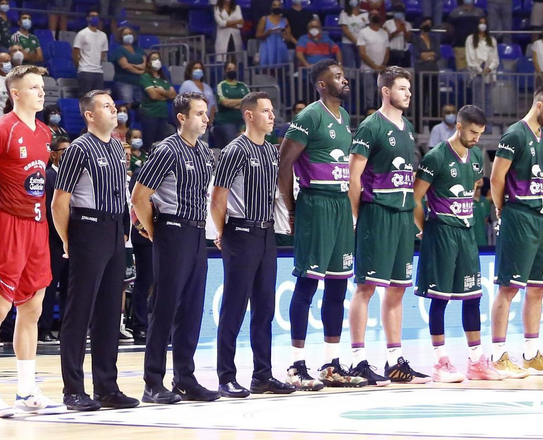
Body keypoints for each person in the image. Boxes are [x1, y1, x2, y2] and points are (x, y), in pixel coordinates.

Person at [0, 65, 64, 417]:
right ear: (15, 93)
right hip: (7, 224)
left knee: (33, 309)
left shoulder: (44, 133)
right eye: (34, 87)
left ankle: (26, 390)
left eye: (42, 86)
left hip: (37, 227)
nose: (41, 92)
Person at [278, 60, 367, 388]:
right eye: (337, 77)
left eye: (344, 75)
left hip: (340, 204)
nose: (345, 80)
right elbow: (284, 164)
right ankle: (296, 366)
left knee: (338, 285)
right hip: (315, 203)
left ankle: (331, 364)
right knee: (307, 285)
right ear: (321, 84)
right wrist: (292, 208)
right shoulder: (309, 117)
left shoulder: (344, 117)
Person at [49, 89, 138, 410]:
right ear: (89, 114)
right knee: (79, 312)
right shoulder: (78, 149)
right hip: (87, 228)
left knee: (110, 312)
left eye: (114, 105)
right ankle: (73, 389)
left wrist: (123, 230)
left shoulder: (116, 147)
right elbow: (59, 202)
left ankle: (106, 387)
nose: (114, 110)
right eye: (107, 106)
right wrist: (68, 239)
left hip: (114, 231)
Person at [132, 93, 217, 404]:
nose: (205, 119)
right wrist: (154, 230)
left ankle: (184, 378)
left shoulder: (205, 151)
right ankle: (152, 382)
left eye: (206, 113)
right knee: (165, 308)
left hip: (197, 234)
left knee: (192, 310)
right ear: (182, 118)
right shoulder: (166, 150)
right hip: (172, 230)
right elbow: (139, 196)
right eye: (199, 113)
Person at [346, 67, 427, 384]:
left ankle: (395, 361)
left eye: (409, 88)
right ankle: (357, 360)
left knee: (397, 290)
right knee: (366, 287)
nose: (408, 93)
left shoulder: (408, 128)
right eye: (402, 88)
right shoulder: (371, 126)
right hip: (377, 213)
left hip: (403, 216)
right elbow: (353, 177)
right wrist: (357, 216)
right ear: (385, 91)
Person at [209, 93, 292, 397]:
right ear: (249, 115)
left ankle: (263, 375)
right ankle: (226, 376)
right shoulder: (235, 150)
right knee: (234, 307)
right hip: (240, 232)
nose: (272, 116)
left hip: (266, 233)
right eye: (265, 111)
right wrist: (223, 232)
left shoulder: (271, 151)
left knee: (264, 308)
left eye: (272, 110)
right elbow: (218, 197)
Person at [487, 81, 543, 378]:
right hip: (519, 216)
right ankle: (498, 355)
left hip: (541, 218)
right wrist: (501, 208)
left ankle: (531, 355)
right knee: (508, 288)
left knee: (538, 288)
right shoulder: (514, 134)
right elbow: (496, 177)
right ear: (539, 105)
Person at [413, 103, 494, 384]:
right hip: (441, 232)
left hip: (466, 232)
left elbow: (470, 190)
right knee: (440, 299)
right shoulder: (436, 157)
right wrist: (425, 229)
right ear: (458, 126)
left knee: (473, 296)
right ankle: (440, 362)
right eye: (473, 132)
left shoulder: (476, 156)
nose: (476, 138)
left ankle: (477, 361)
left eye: (480, 133)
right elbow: (415, 197)